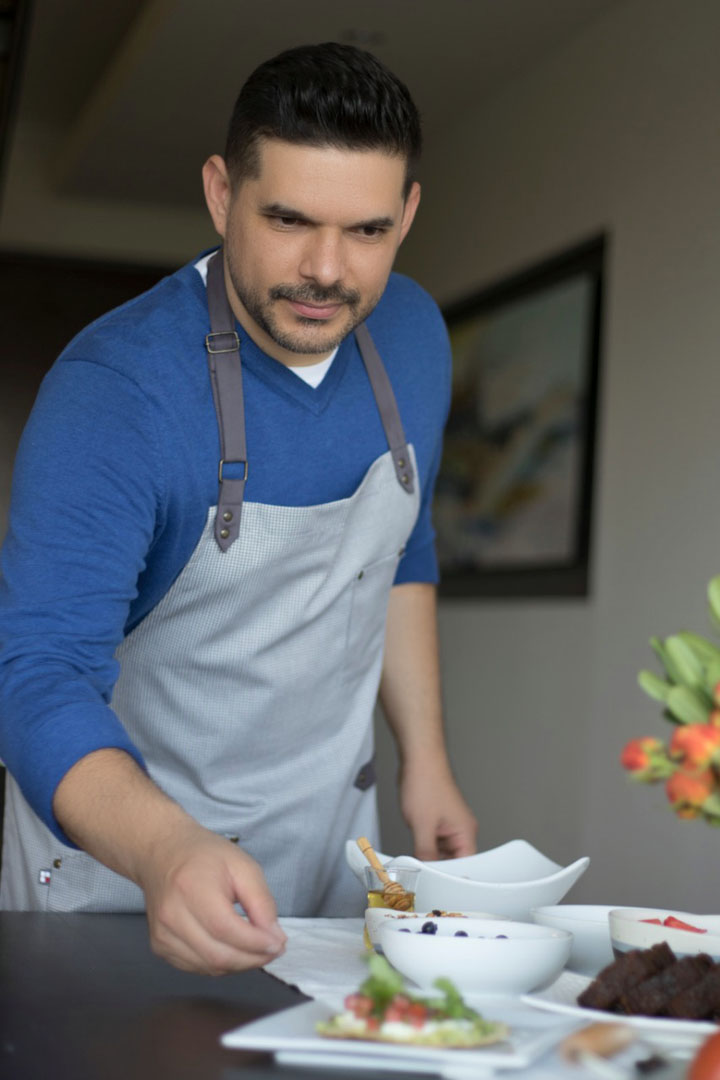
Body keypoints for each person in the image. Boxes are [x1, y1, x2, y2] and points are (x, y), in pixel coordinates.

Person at [0, 42, 477, 975]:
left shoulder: (414, 336)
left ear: (409, 214)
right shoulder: (117, 389)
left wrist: (426, 762)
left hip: (331, 856)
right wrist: (165, 850)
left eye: (368, 231)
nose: (326, 270)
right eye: (289, 219)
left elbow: (401, 552)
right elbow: (34, 676)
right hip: (131, 873)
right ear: (222, 194)